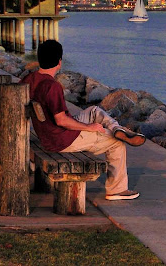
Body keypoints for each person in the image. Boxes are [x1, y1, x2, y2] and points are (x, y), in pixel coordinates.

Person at [22, 39, 145, 201]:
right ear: (59, 62)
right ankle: (117, 189)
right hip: (61, 139)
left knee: (94, 111)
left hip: (47, 134)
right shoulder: (52, 86)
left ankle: (117, 129)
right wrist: (89, 128)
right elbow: (61, 121)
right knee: (116, 144)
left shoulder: (30, 79)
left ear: (39, 59)